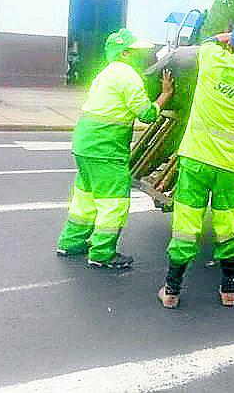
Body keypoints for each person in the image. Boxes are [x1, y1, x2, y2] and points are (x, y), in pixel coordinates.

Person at [157, 24, 234, 308]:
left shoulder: (211, 59)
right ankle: (228, 291)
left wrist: (228, 35)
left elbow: (208, 41)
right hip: (230, 167)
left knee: (186, 227)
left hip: (196, 160)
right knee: (227, 229)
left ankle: (171, 291)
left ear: (230, 44)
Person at [56, 28, 174, 269]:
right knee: (113, 202)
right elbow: (148, 114)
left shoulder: (106, 73)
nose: (145, 56)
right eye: (140, 52)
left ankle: (70, 241)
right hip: (105, 148)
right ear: (126, 53)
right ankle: (101, 253)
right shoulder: (128, 76)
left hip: (85, 144)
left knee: (85, 198)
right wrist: (165, 94)